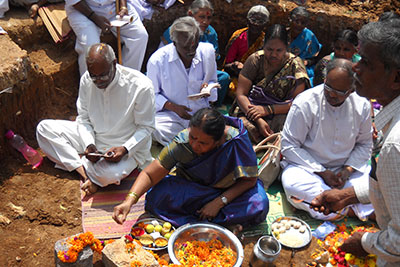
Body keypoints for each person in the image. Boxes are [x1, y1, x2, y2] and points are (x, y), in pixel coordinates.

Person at [310, 20, 400, 265]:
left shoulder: (394, 145)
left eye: (366, 63)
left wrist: (363, 243)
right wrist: (348, 196)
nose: (356, 68)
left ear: (396, 78)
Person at [113, 108, 269, 227]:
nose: (195, 145)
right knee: (157, 196)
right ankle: (222, 222)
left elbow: (249, 180)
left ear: (219, 141)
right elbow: (150, 174)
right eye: (192, 137)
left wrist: (219, 202)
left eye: (203, 143)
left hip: (229, 192)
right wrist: (129, 201)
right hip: (195, 189)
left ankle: (205, 220)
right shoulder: (182, 142)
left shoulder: (236, 141)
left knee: (259, 204)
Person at [36, 43, 155, 195]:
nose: (98, 81)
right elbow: (84, 119)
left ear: (114, 64)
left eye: (103, 75)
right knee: (44, 129)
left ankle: (77, 162)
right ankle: (85, 174)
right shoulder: (87, 80)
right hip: (93, 138)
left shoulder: (141, 86)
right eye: (94, 76)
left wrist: (125, 149)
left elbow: (146, 128)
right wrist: (89, 145)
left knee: (108, 175)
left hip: (124, 144)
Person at [281, 58, 374, 221]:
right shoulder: (305, 102)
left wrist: (347, 170)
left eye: (339, 92)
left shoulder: (362, 105)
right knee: (293, 185)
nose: (331, 94)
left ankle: (337, 206)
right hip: (308, 169)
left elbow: (365, 143)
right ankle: (354, 209)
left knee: (378, 185)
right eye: (328, 87)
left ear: (351, 90)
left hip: (346, 172)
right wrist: (322, 172)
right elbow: (289, 146)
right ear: (324, 80)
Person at [232, 24, 310, 143]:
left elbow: (297, 103)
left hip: (281, 111)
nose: (273, 54)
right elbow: (241, 94)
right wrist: (257, 117)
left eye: (279, 50)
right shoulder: (255, 60)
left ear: (287, 47)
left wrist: (267, 110)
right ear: (264, 44)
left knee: (285, 129)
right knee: (242, 129)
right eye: (269, 49)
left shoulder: (296, 65)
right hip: (250, 109)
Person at [147, 16, 218, 146]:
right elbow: (151, 95)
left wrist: (208, 89)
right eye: (186, 47)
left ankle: (187, 142)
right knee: (154, 128)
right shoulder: (157, 60)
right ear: (174, 43)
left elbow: (213, 81)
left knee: (219, 128)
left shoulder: (207, 52)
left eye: (194, 45)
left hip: (200, 114)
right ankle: (195, 142)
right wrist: (174, 108)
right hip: (171, 116)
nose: (191, 51)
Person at [159, 0, 230, 107]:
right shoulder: (177, 31)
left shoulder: (210, 33)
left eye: (209, 18)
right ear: (190, 15)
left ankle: (212, 107)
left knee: (223, 78)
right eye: (202, 17)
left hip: (201, 71)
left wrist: (205, 78)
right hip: (176, 71)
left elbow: (212, 60)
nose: (205, 22)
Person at [65, 0, 148, 76]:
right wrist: (96, 19)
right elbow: (75, 2)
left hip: (114, 6)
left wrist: (123, 7)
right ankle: (90, 89)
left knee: (140, 36)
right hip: (84, 11)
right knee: (90, 47)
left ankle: (126, 81)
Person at [223, 5, 270, 95]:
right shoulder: (238, 37)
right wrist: (235, 65)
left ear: (265, 24)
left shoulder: (266, 42)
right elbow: (227, 65)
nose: (256, 24)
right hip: (236, 75)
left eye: (260, 21)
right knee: (233, 89)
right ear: (248, 21)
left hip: (254, 78)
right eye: (254, 20)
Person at [288, 6, 322, 85]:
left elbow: (316, 58)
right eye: (296, 21)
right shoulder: (282, 34)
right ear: (290, 19)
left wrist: (307, 62)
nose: (299, 25)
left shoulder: (309, 36)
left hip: (302, 68)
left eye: (303, 22)